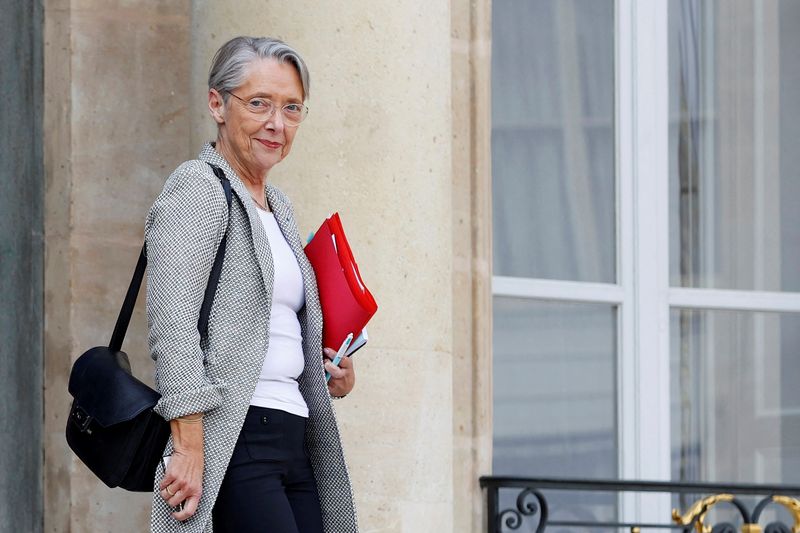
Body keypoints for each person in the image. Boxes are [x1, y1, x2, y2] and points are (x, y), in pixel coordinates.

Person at [145, 36, 358, 533]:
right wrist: (189, 442)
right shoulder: (198, 186)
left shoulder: (279, 208)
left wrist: (332, 368)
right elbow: (171, 319)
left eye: (291, 108)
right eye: (259, 103)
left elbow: (274, 323)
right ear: (217, 104)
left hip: (296, 434)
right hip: (235, 436)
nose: (276, 124)